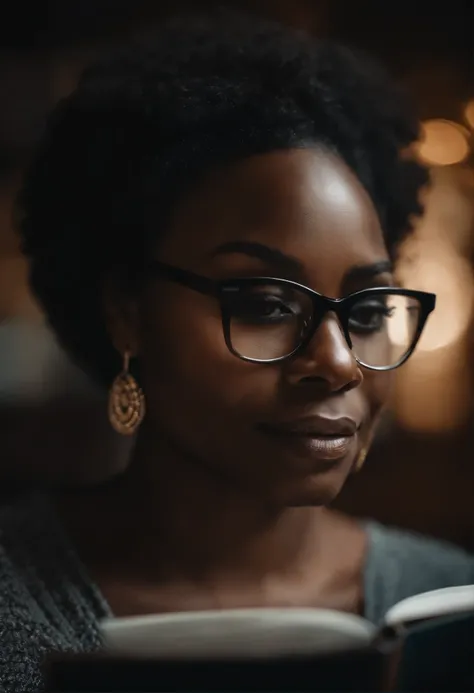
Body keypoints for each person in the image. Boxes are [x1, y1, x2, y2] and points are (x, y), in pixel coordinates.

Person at [2, 10, 473, 692]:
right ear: (126, 313)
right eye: (266, 305)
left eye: (366, 310)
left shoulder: (447, 598)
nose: (338, 362)